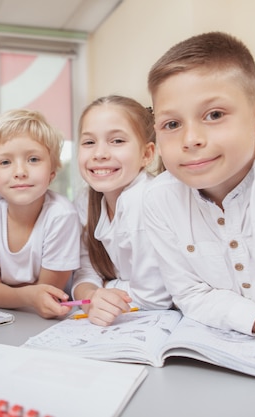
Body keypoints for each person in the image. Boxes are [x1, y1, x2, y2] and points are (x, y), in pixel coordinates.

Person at [144, 31, 255, 344]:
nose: (191, 140)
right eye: (172, 124)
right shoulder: (159, 199)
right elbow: (191, 294)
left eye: (214, 115)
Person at [0, 109, 81, 318]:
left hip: (53, 318)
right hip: (4, 316)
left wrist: (18, 295)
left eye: (34, 159)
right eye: (5, 162)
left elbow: (47, 296)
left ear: (52, 171)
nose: (20, 172)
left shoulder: (62, 215)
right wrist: (29, 295)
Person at [71, 95, 173, 326]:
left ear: (147, 154)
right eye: (89, 142)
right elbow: (86, 271)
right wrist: (91, 296)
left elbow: (156, 296)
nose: (99, 154)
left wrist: (105, 290)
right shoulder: (86, 199)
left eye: (116, 141)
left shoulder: (144, 199)